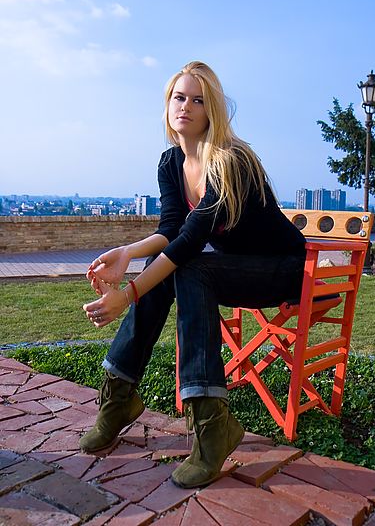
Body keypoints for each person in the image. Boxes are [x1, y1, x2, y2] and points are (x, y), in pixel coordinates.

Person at [80, 60, 307, 489]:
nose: (186, 106)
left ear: (212, 111)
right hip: (237, 269)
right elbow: (171, 230)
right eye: (179, 97)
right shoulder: (171, 163)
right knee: (175, 269)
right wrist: (128, 252)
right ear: (168, 105)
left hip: (284, 269)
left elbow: (188, 243)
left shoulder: (231, 162)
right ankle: (119, 399)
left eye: (198, 99)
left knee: (191, 268)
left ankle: (210, 426)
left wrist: (126, 295)